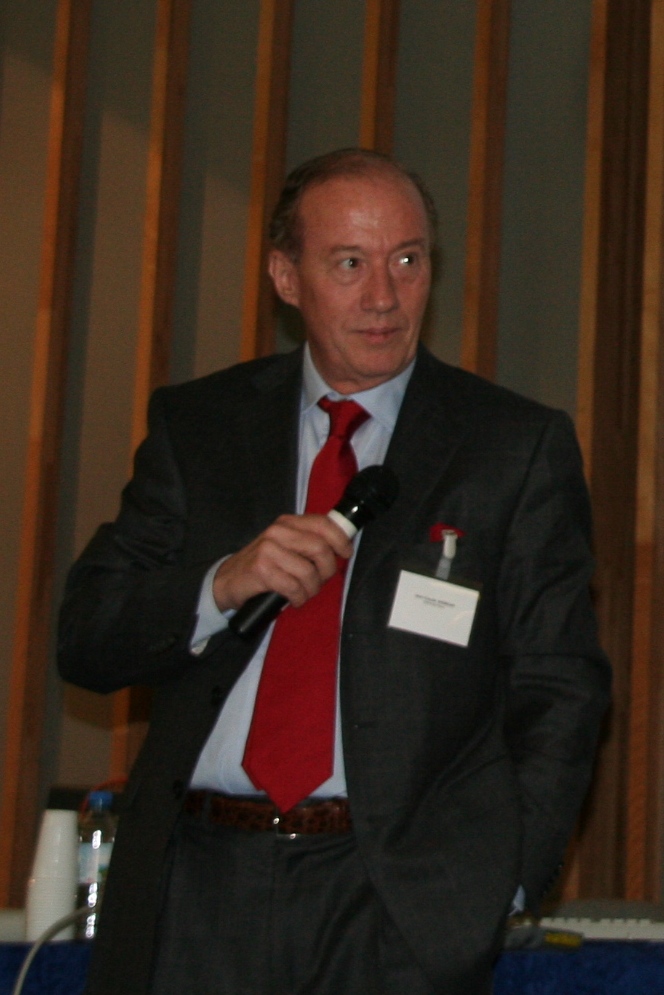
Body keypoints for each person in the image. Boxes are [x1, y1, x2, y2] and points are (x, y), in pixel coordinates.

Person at [58, 147, 611, 995]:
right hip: (197, 888)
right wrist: (219, 585)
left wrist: (495, 885)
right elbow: (87, 633)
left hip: (394, 900)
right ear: (287, 277)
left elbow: (561, 684)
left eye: (407, 260)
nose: (384, 295)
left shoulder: (509, 446)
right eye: (350, 263)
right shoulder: (202, 426)